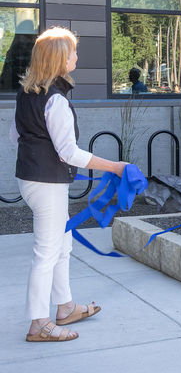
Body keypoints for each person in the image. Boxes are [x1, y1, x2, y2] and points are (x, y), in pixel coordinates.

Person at [10, 27, 128, 342]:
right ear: (61, 60)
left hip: (32, 180)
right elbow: (70, 153)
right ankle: (39, 324)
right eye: (73, 51)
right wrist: (115, 167)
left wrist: (39, 156)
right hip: (46, 184)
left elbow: (15, 136)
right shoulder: (56, 100)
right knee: (47, 252)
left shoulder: (27, 93)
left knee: (62, 245)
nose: (77, 56)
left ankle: (65, 307)